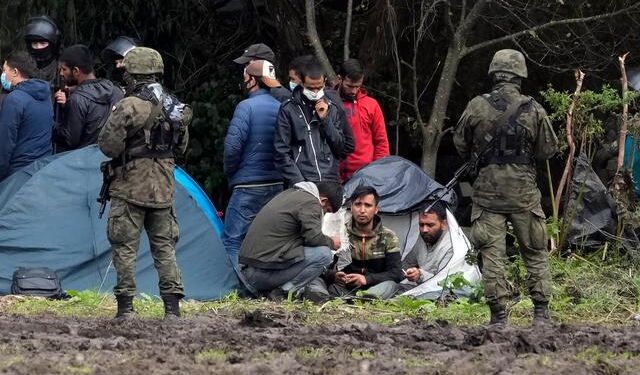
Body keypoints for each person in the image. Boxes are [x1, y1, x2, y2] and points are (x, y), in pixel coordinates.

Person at [453, 49, 558, 325]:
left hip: (488, 195)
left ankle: (499, 317)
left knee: (492, 257)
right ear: (520, 75)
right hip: (523, 194)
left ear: (494, 74)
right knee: (534, 252)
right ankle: (541, 314)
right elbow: (548, 149)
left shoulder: (477, 105)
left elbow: (460, 144)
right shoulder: (534, 108)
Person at [98, 47, 191, 319]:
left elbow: (108, 146)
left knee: (125, 248)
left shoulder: (128, 105)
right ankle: (172, 310)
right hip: (163, 186)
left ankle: (125, 309)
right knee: (165, 248)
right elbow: (182, 147)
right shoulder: (176, 106)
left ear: (132, 73)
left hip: (129, 185)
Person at [223, 60, 284, 267]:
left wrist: (230, 173)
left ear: (252, 80)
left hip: (248, 185)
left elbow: (232, 147)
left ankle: (236, 284)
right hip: (277, 184)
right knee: (266, 241)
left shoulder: (246, 107)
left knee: (232, 240)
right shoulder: (281, 107)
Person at [239, 181, 343, 300]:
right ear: (323, 201)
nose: (324, 215)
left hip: (248, 269)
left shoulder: (291, 194)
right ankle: (282, 293)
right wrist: (331, 242)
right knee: (324, 254)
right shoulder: (311, 202)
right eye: (327, 211)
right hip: (257, 275)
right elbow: (313, 238)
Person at [274, 57, 355, 185]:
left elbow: (341, 147)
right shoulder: (288, 109)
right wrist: (298, 181)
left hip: (329, 179)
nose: (315, 92)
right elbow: (281, 151)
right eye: (311, 88)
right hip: (302, 180)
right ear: (301, 82)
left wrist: (325, 120)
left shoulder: (332, 107)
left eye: (319, 87)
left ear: (325, 82)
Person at [324, 186, 402, 300]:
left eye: (368, 205)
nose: (362, 210)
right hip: (346, 288)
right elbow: (324, 269)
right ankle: (355, 300)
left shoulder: (388, 236)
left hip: (376, 287)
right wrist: (335, 275)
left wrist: (366, 279)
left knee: (390, 285)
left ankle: (363, 299)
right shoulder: (340, 233)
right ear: (351, 207)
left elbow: (396, 273)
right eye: (358, 204)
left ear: (376, 209)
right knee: (330, 287)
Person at [53, 44, 123, 152]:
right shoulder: (116, 91)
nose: (61, 74)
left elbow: (70, 140)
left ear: (76, 71)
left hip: (84, 160)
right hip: (111, 159)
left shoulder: (77, 99)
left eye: (64, 69)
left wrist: (53, 125)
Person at [0, 51, 53, 181]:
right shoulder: (46, 95)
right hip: (42, 169)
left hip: (18, 174)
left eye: (5, 70)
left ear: (15, 72)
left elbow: (5, 143)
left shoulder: (14, 99)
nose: (3, 74)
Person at [336, 59, 390, 181]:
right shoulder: (328, 101)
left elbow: (381, 142)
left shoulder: (371, 105)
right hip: (334, 174)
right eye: (349, 86)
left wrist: (378, 171)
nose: (354, 91)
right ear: (340, 79)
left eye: (358, 86)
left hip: (366, 173)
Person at [396, 201, 454, 296]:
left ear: (444, 224)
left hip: (438, 293)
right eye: (421, 225)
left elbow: (445, 282)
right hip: (418, 288)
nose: (424, 230)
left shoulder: (452, 246)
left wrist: (420, 275)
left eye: (430, 225)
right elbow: (406, 264)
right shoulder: (423, 238)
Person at [24, 15, 61, 86]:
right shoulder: (23, 65)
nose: (38, 47)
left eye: (43, 43)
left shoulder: (61, 67)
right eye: (34, 43)